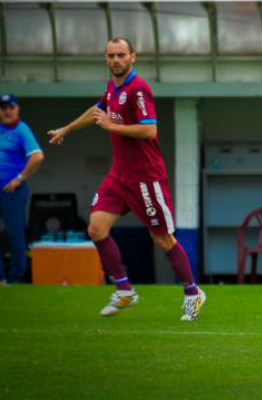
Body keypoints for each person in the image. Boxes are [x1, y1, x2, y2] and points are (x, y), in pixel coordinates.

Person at [47, 38, 205, 321]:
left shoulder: (139, 89)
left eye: (121, 55)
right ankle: (124, 290)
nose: (116, 60)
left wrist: (112, 126)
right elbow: (97, 112)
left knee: (163, 240)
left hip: (146, 179)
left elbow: (150, 131)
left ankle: (193, 293)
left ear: (133, 57)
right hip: (119, 177)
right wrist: (66, 129)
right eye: (111, 56)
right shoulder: (113, 87)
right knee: (96, 228)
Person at [0, 94, 44, 285]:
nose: (7, 111)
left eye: (11, 107)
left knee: (15, 235)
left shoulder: (21, 129)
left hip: (11, 191)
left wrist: (19, 179)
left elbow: (37, 156)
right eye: (3, 108)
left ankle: (16, 279)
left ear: (17, 109)